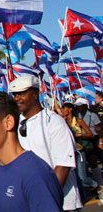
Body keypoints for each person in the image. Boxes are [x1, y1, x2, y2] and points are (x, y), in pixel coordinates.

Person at [10, 75, 82, 211]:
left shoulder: (54, 122)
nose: (17, 98)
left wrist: (45, 197)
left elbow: (63, 166)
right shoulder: (15, 123)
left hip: (61, 204)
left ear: (36, 94)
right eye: (15, 94)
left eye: (22, 93)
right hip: (33, 203)